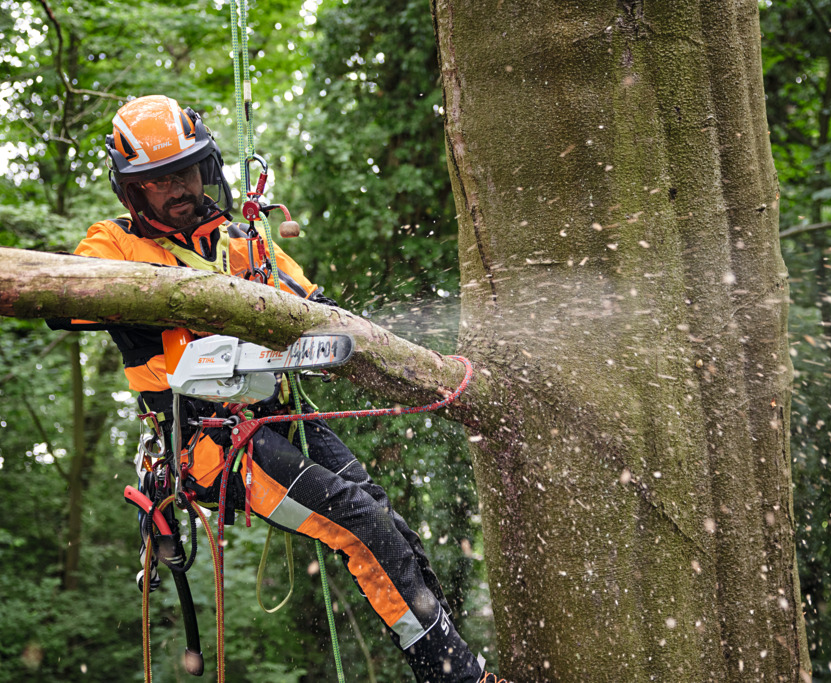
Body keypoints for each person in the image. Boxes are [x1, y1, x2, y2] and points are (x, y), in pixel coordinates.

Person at [48, 95, 504, 683]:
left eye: (185, 171)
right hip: (208, 442)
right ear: (133, 190)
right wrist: (159, 292)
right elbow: (62, 298)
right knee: (359, 522)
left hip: (280, 416)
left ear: (205, 165)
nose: (177, 187)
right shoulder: (113, 245)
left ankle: (443, 654)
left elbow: (314, 307)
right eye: (159, 181)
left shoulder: (244, 241)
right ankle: (458, 679)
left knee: (387, 520)